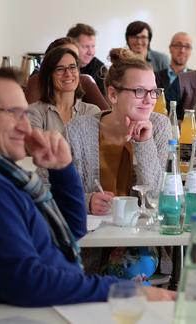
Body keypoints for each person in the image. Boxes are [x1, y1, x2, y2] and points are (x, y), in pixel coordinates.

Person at [0, 66, 174, 306]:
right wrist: (126, 291)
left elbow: (71, 228)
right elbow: (28, 283)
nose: (26, 127)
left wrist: (62, 170)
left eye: (25, 115)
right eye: (13, 114)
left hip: (53, 304)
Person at [66, 48, 171, 280]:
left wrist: (144, 143)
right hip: (87, 241)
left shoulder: (160, 126)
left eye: (154, 92)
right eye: (140, 91)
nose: (149, 100)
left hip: (139, 241)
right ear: (113, 94)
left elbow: (157, 197)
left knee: (132, 268)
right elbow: (53, 191)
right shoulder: (78, 129)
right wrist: (87, 200)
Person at [28, 47, 100, 135]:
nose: (68, 74)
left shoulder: (92, 111)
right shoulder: (34, 112)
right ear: (48, 76)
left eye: (72, 67)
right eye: (60, 69)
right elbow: (38, 147)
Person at [25, 37, 108, 110]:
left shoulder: (85, 81)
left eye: (75, 58)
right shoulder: (38, 80)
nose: (69, 59)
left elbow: (107, 115)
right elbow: (29, 118)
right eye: (63, 55)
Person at [66, 23, 107, 96]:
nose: (91, 52)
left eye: (93, 46)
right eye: (86, 47)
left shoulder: (100, 69)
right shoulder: (59, 66)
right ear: (71, 46)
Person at [155, 32, 192, 110]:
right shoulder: (155, 77)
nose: (182, 50)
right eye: (178, 45)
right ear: (170, 48)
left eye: (187, 46)